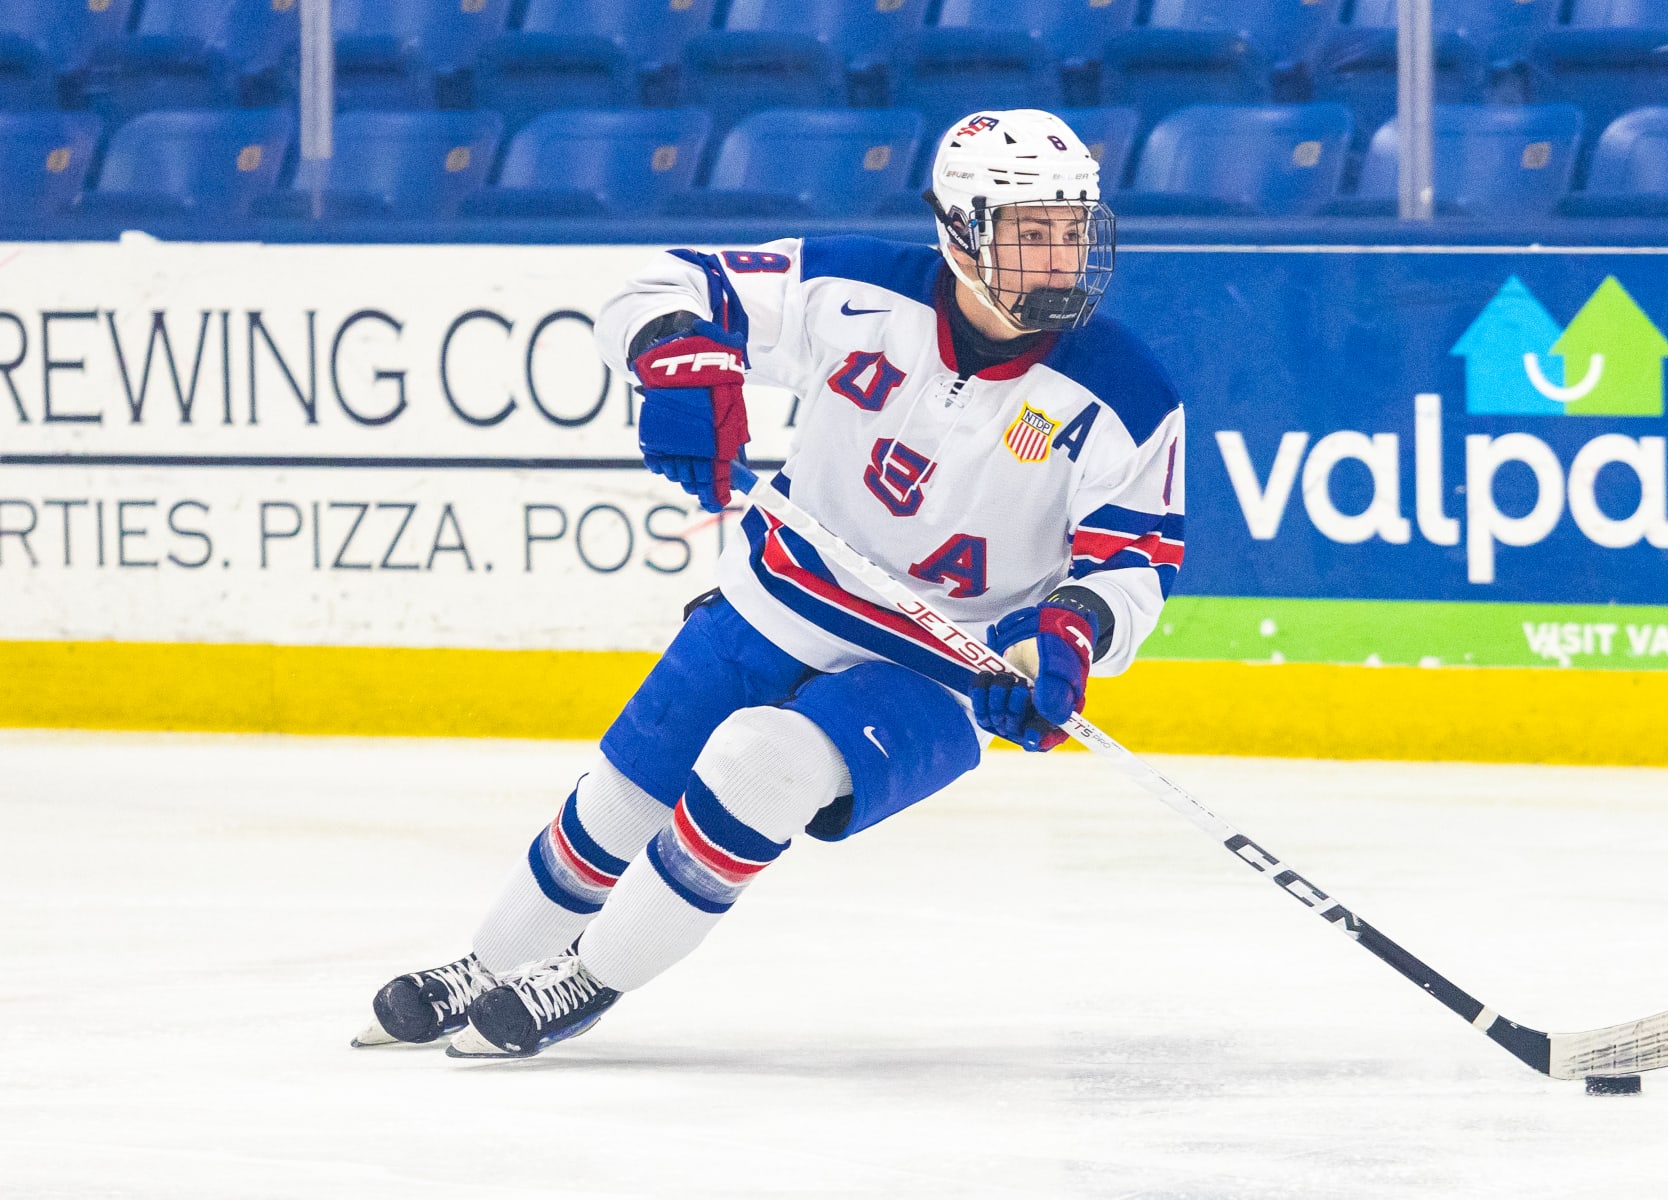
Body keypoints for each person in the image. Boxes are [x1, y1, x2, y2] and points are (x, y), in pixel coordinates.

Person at [352, 109, 1185, 1059]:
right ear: (960, 230)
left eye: (1072, 231)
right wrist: (678, 356)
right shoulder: (856, 289)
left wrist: (1063, 639)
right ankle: (488, 966)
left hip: (942, 666)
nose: (1059, 259)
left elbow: (1130, 565)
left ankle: (586, 978)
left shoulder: (1127, 391)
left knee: (763, 763)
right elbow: (665, 285)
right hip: (777, 600)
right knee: (625, 795)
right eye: (1030, 234)